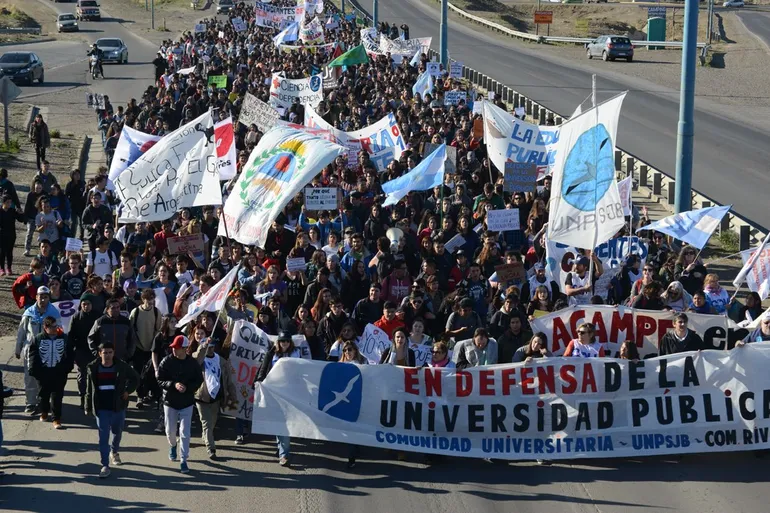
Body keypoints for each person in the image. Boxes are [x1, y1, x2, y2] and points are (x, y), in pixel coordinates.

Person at [85, 341, 139, 479]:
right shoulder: (93, 368)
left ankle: (114, 452)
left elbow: (135, 378)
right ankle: (105, 465)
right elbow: (89, 389)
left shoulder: (121, 366)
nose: (108, 355)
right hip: (101, 408)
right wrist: (87, 406)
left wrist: (128, 391)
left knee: (117, 432)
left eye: (110, 352)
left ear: (114, 353)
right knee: (103, 438)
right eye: (105, 353)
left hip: (118, 407)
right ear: (99, 353)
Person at [156, 335, 203, 474]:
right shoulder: (166, 361)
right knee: (170, 431)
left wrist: (188, 388)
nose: (174, 350)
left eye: (177, 348)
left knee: (185, 432)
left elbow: (199, 380)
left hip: (186, 402)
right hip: (170, 402)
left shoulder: (192, 363)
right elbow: (160, 379)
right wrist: (173, 384)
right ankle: (172, 445)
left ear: (185, 349)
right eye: (173, 347)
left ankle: (184, 459)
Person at [255, 331, 302, 467]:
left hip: (289, 393)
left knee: (284, 424)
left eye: (287, 341)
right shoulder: (271, 354)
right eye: (282, 341)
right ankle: (281, 448)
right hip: (274, 392)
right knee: (277, 422)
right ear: (278, 342)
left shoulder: (296, 354)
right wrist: (259, 381)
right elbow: (263, 369)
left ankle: (284, 454)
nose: (285, 343)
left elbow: (300, 372)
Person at [15, 286, 60, 413]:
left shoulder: (54, 313)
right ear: (36, 297)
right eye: (41, 296)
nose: (43, 299)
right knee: (30, 377)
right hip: (31, 351)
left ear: (49, 298)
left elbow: (60, 331)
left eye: (45, 297)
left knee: (46, 378)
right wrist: (18, 349)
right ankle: (30, 402)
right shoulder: (29, 313)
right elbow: (22, 332)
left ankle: (43, 403)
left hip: (48, 350)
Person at [193, 336, 237, 460]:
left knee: (212, 421)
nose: (210, 349)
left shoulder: (222, 361)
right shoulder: (199, 359)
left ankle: (206, 436)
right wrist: (203, 346)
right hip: (201, 396)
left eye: (212, 347)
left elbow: (229, 380)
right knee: (206, 423)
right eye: (208, 347)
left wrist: (233, 396)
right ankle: (211, 448)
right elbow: (197, 357)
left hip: (216, 397)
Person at [28, 316, 74, 429]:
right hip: (43, 373)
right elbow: (33, 355)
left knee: (57, 396)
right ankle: (44, 411)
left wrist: (67, 368)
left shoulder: (64, 338)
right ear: (45, 327)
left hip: (59, 372)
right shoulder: (38, 339)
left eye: (56, 326)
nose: (55, 329)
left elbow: (70, 354)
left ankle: (56, 418)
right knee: (43, 395)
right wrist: (34, 370)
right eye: (52, 327)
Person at [338, 340, 367, 469]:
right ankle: (352, 454)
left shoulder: (363, 363)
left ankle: (353, 453)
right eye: (345, 350)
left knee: (356, 426)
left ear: (355, 350)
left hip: (359, 398)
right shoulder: (339, 365)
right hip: (346, 400)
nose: (347, 352)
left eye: (350, 349)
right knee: (349, 428)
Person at [0, 194, 23, 276]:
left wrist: (21, 213)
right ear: (3, 202)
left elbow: (21, 220)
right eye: (7, 202)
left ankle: (9, 268)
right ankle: (2, 268)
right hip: (1, 234)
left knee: (9, 251)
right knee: (2, 252)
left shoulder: (12, 211)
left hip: (11, 234)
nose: (9, 204)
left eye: (10, 202)